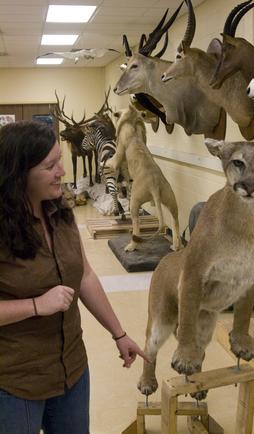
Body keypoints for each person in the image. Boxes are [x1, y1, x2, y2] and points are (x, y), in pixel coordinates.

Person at [0, 120, 148, 434]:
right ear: (19, 172)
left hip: (71, 369)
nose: (62, 172)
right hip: (16, 380)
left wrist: (118, 333)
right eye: (50, 165)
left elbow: (85, 277)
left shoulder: (60, 210)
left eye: (60, 160)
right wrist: (37, 305)